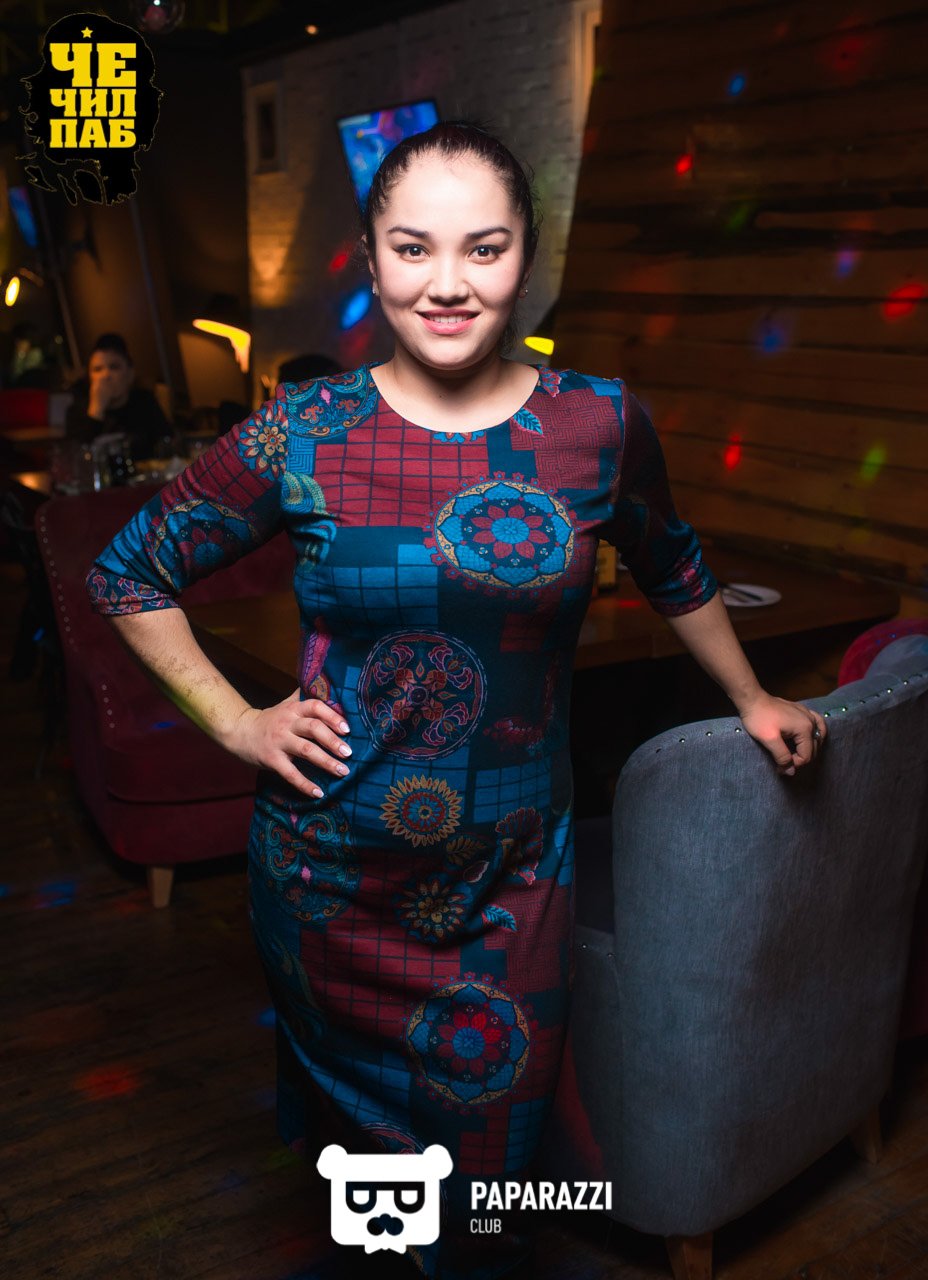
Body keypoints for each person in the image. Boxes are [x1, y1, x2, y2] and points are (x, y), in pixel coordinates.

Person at [83, 120, 826, 1280]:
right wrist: (235, 721)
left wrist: (753, 693)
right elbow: (129, 569)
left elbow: (673, 561)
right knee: (376, 1198)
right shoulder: (302, 430)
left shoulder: (596, 422)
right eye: (412, 248)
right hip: (329, 879)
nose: (446, 282)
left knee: (485, 1188)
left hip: (510, 881)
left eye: (482, 248)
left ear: (526, 255)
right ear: (370, 259)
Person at [66, 332, 171, 463]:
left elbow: (167, 446)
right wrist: (96, 411)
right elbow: (76, 460)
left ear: (130, 374)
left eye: (114, 367)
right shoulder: (77, 411)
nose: (106, 375)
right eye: (97, 369)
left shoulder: (145, 402)